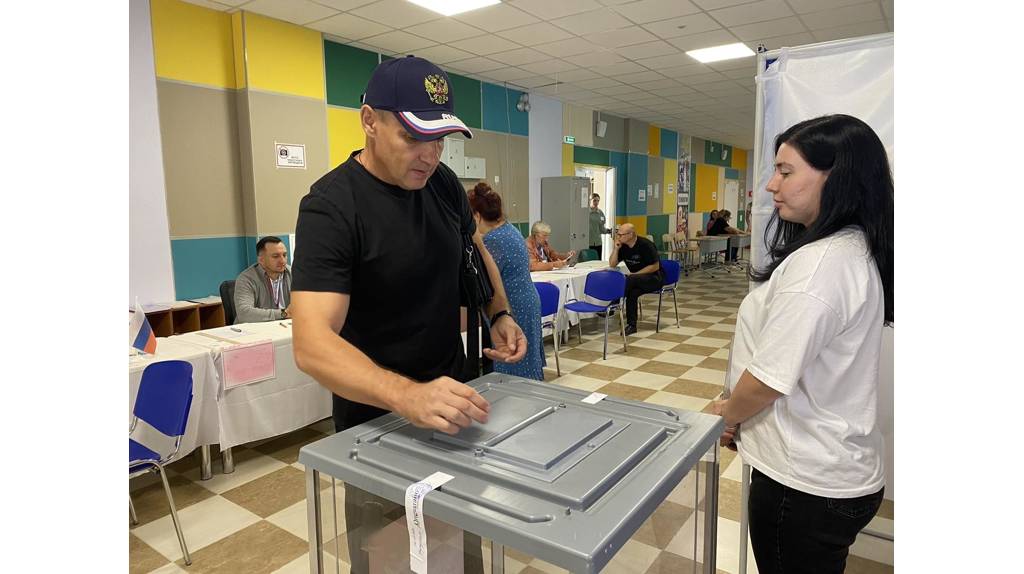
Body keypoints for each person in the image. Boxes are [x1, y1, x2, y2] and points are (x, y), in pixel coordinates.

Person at [289, 55, 527, 574]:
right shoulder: (332, 206)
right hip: (377, 422)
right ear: (369, 121)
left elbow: (473, 250)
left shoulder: (442, 184)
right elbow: (310, 343)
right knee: (391, 558)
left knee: (459, 553)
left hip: (453, 404)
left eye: (440, 139)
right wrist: (407, 395)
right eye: (414, 136)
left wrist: (499, 311)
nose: (430, 154)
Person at [711, 114, 893, 574]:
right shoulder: (850, 249)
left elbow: (769, 379)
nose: (771, 185)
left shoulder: (820, 266)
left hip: (804, 484)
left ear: (837, 177)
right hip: (832, 471)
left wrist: (727, 416)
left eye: (786, 171)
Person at [468, 182, 544, 381]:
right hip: (527, 301)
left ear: (477, 216)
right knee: (526, 359)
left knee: (511, 358)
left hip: (513, 306)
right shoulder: (510, 230)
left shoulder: (492, 240)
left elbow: (484, 280)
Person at [609, 223, 662, 336]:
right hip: (636, 280)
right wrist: (616, 249)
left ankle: (613, 304)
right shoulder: (623, 246)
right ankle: (632, 326)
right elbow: (612, 264)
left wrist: (635, 275)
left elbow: (655, 266)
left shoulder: (646, 245)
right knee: (632, 293)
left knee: (630, 279)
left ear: (631, 234)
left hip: (654, 278)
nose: (618, 237)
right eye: (618, 234)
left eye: (621, 235)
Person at [233, 236, 291, 323]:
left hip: (284, 326)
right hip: (253, 329)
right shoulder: (246, 279)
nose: (283, 261)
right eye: (276, 256)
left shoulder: (293, 273)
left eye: (284, 255)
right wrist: (284, 313)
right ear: (261, 260)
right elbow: (244, 314)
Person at [588, 193, 612, 259]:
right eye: (594, 200)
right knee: (589, 262)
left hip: (598, 242)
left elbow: (602, 229)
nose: (596, 202)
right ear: (590, 201)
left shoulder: (600, 213)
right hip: (588, 242)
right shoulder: (586, 212)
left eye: (598, 201)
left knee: (598, 261)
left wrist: (609, 231)